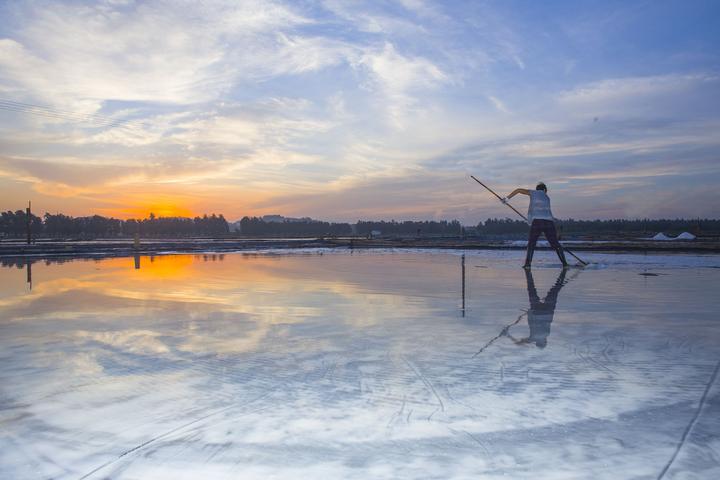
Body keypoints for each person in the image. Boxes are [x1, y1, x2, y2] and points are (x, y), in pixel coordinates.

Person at [503, 182, 568, 269]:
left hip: (537, 221)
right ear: (545, 190)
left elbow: (518, 190)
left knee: (531, 244)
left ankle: (527, 264)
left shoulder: (533, 193)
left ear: (537, 189)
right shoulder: (547, 197)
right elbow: (549, 214)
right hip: (549, 222)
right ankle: (565, 264)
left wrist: (507, 198)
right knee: (556, 244)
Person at [507, 268, 567, 348]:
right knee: (531, 290)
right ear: (537, 343)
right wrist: (507, 335)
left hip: (548, 311)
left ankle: (562, 276)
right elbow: (520, 343)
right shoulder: (534, 338)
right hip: (536, 311)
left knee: (554, 291)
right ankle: (528, 274)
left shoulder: (546, 334)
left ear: (545, 341)